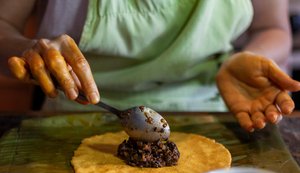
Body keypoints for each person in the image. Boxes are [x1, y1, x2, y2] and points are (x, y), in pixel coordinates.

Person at [1, 0, 300, 132]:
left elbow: (272, 27)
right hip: (73, 116)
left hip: (215, 112)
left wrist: (241, 58)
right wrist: (29, 51)